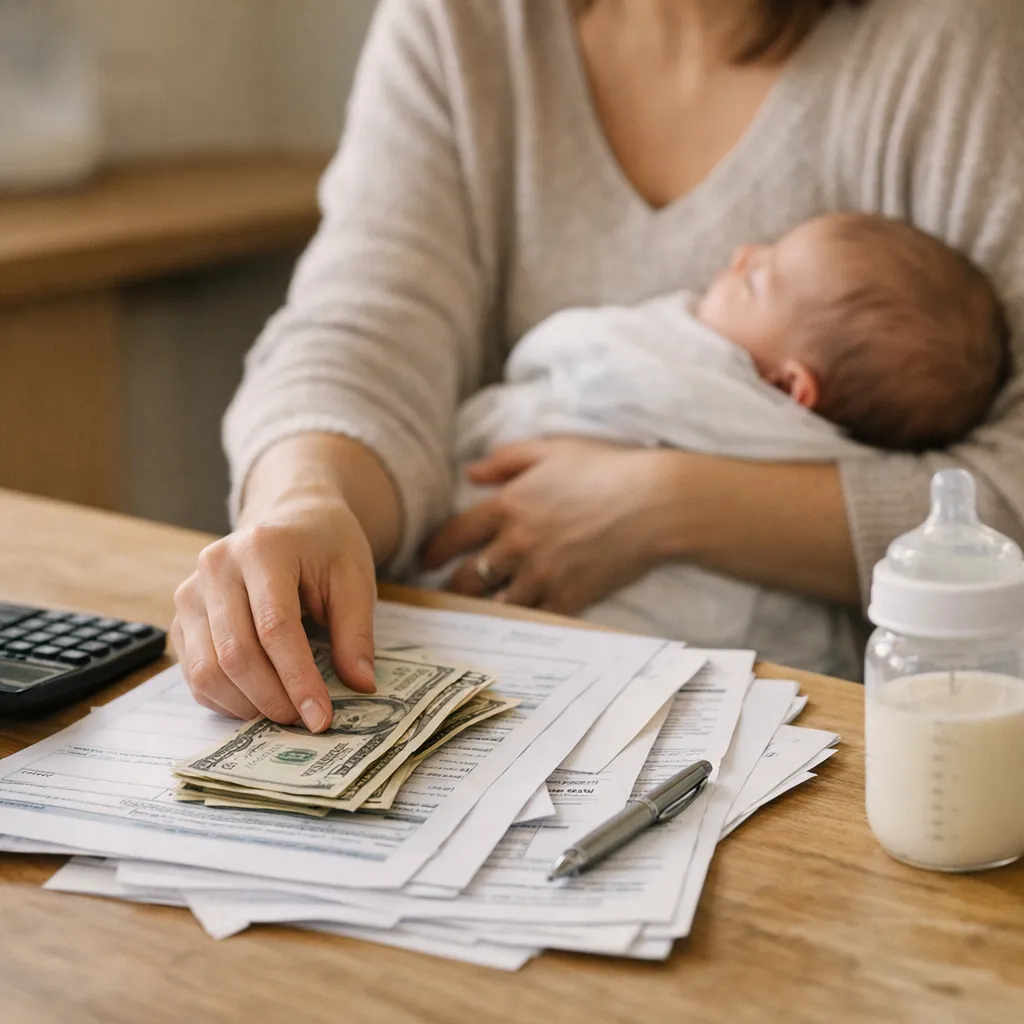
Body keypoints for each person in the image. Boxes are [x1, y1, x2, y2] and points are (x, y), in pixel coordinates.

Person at [171, 0, 1024, 730]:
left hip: (821, 730)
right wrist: (308, 500)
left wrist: (663, 504)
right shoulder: (462, 22)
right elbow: (362, 325)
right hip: (515, 684)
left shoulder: (954, 45)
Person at [432, 212, 1009, 677]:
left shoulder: (680, 370)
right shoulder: (842, 456)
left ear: (789, 385)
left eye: (756, 281)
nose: (741, 256)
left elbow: (572, 353)